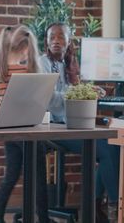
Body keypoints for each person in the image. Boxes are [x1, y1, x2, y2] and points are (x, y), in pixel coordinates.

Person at [40, 22, 119, 223]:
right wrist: (79, 93)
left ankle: (96, 206)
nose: (56, 41)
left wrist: (90, 91)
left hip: (73, 124)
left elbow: (72, 95)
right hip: (54, 127)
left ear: (69, 41)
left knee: (114, 145)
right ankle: (115, 210)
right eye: (52, 38)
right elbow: (50, 100)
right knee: (108, 150)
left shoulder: (69, 65)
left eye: (61, 37)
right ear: (46, 42)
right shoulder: (42, 63)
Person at [0, 25, 52, 223]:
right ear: (25, 48)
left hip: (9, 129)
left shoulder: (0, 70)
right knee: (39, 178)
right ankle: (43, 218)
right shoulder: (27, 69)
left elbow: (4, 101)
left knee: (11, 175)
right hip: (28, 129)